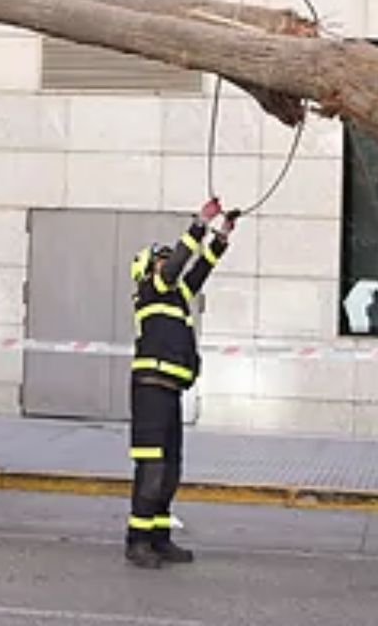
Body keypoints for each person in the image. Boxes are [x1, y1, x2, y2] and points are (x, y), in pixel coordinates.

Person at [124, 197, 235, 569]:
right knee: (152, 469)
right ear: (146, 269)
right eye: (160, 259)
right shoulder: (150, 291)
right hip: (149, 391)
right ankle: (137, 542)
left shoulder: (176, 297)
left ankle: (160, 538)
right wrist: (199, 225)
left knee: (170, 470)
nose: (166, 262)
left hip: (170, 392)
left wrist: (220, 237)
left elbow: (198, 270)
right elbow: (176, 267)